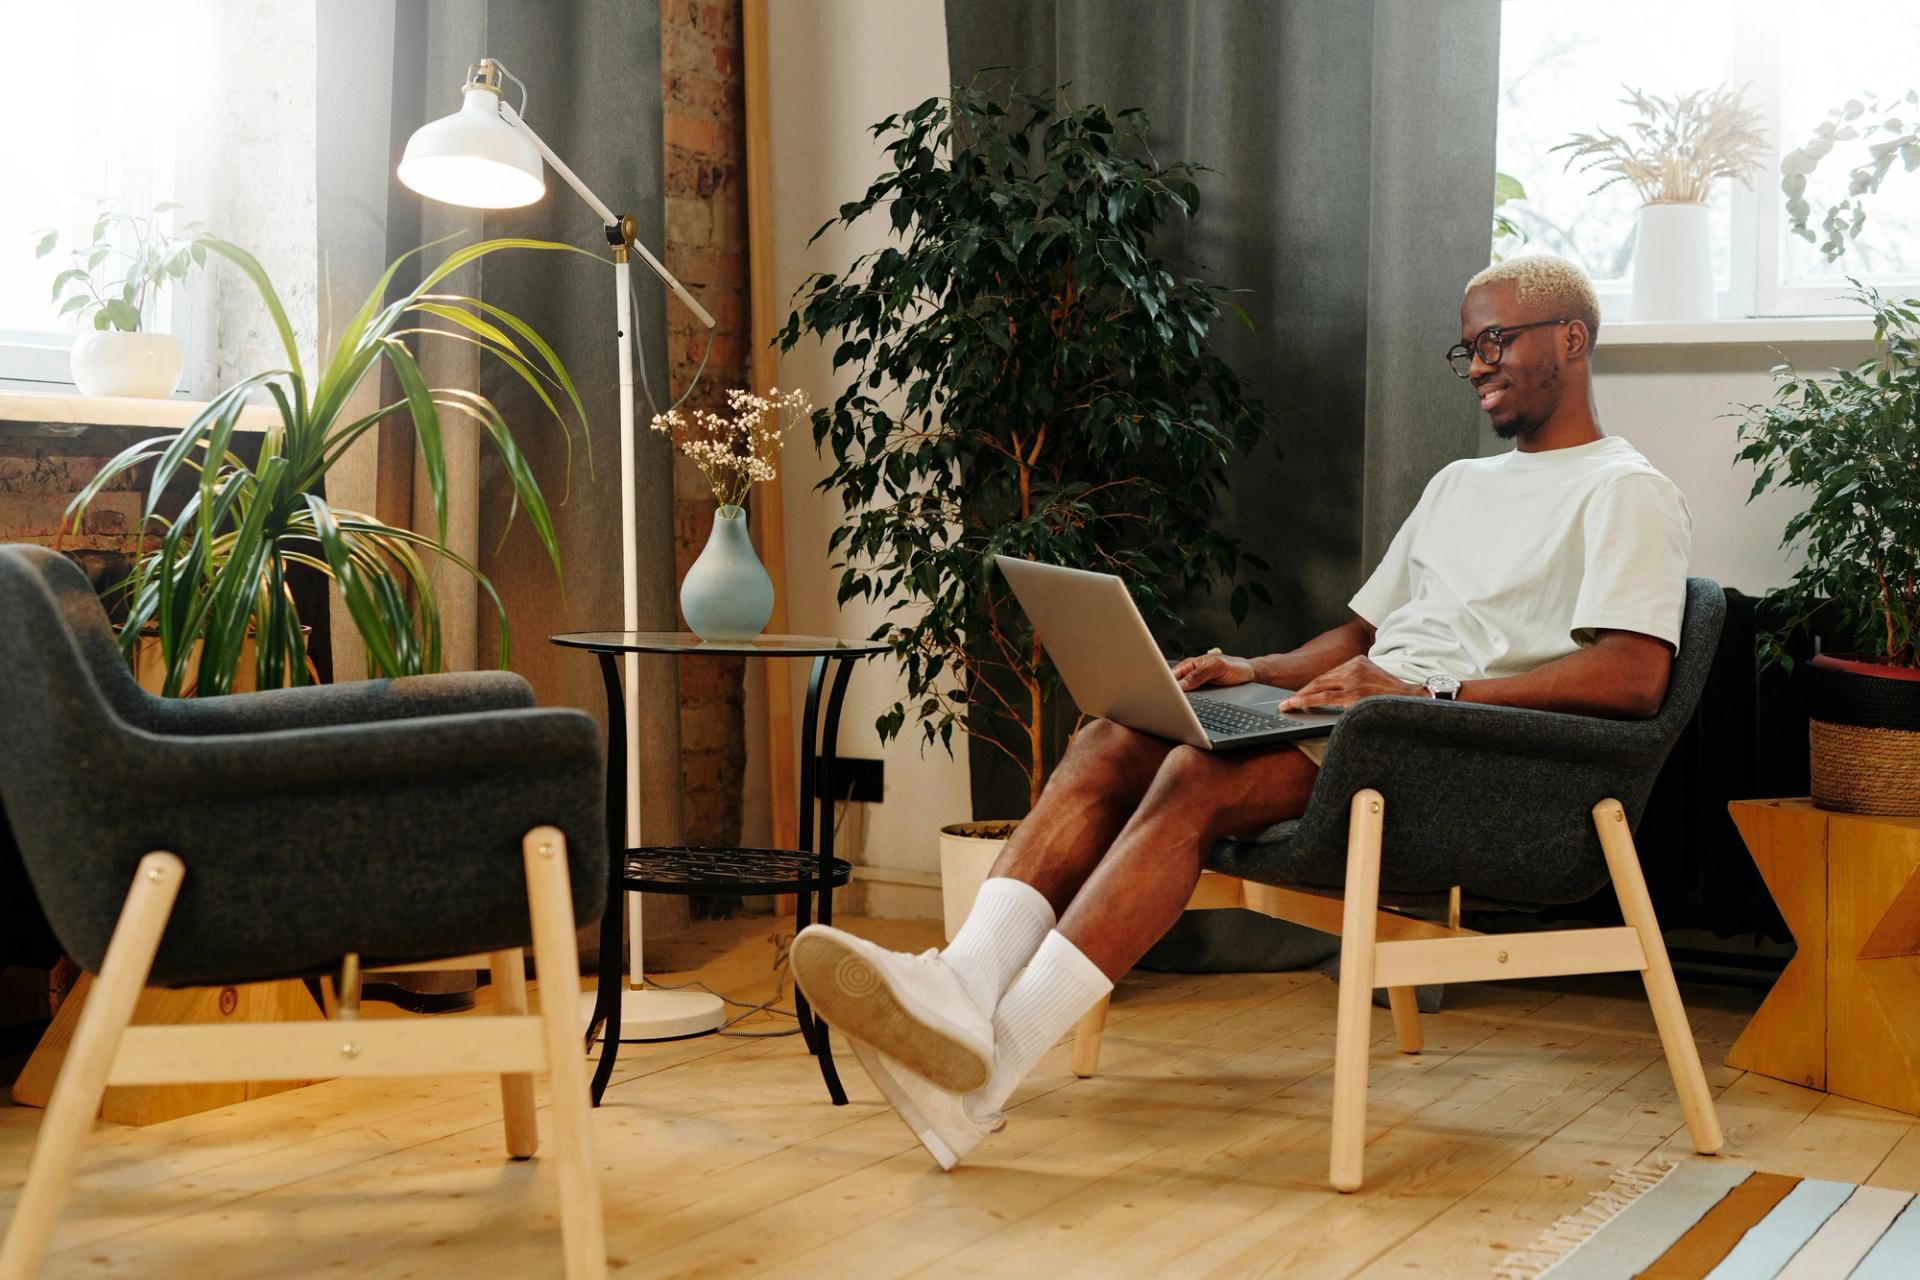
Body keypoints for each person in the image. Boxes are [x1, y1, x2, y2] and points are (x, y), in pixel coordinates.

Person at [788, 254, 1693, 1170]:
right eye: (1466, 347)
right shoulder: (1459, 484)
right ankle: (960, 985)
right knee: (1117, 734)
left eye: (1496, 340)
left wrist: (1426, 693)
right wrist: (1249, 668)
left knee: (1193, 771)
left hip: (1448, 747)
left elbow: (1631, 678)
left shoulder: (1627, 491)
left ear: (1572, 340)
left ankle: (986, 1075)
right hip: (1365, 715)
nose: (1476, 365)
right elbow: (1355, 637)